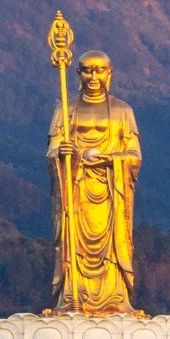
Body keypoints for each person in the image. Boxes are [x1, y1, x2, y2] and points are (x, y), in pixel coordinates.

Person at [46, 51, 142, 315]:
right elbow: (52, 152)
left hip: (111, 190)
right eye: (87, 71)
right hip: (76, 188)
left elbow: (134, 156)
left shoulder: (123, 111)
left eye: (100, 71)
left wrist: (110, 159)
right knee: (73, 242)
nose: (94, 77)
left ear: (109, 74)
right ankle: (73, 295)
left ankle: (115, 297)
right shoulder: (66, 109)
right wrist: (66, 155)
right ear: (78, 74)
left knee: (112, 244)